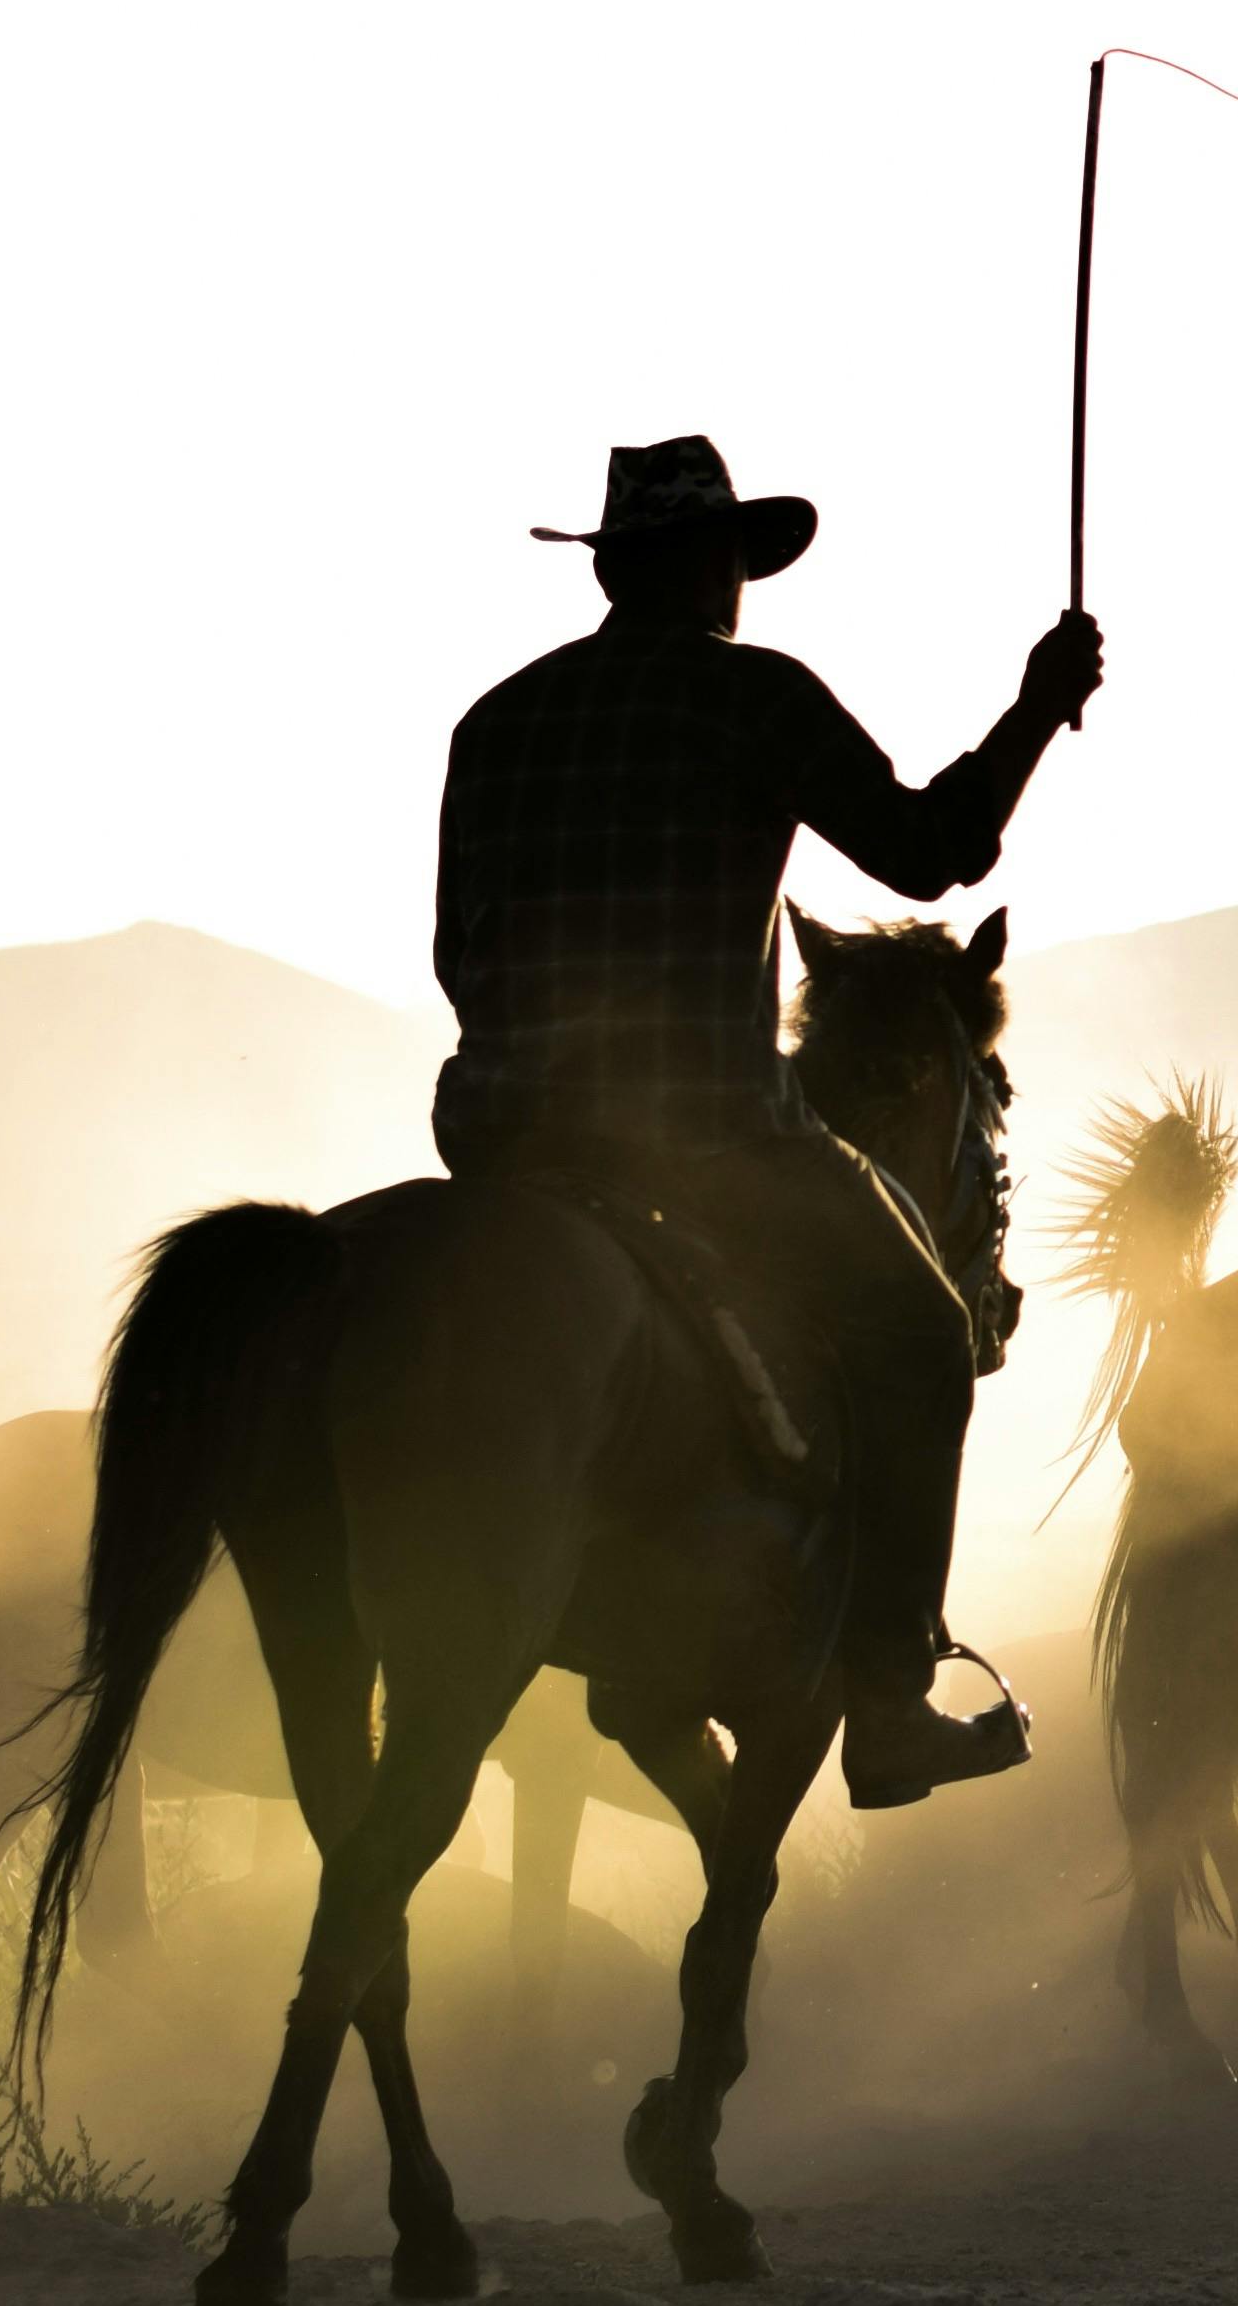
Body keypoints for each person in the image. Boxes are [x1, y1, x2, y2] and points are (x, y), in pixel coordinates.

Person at [430, 435, 1104, 1807]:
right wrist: (1036, 705)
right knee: (919, 1333)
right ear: (717, 572)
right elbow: (933, 851)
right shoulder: (755, 700)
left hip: (496, 1134)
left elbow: (456, 953)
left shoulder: (494, 724)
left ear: (614, 571)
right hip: (706, 1133)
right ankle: (892, 1699)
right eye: (736, 564)